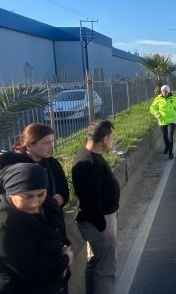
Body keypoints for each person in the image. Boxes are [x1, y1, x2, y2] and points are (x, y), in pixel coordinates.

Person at [0, 163, 72, 294]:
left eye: (40, 194)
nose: (35, 202)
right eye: (27, 196)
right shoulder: (4, 228)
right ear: (11, 193)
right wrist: (65, 260)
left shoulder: (45, 205)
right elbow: (35, 272)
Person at [72, 120, 119, 294]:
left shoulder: (89, 157)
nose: (111, 142)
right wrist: (102, 226)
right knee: (106, 269)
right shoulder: (88, 163)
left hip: (100, 221)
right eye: (111, 138)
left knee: (95, 262)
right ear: (105, 139)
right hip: (99, 223)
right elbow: (90, 199)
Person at [0, 123, 69, 214]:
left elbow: (63, 188)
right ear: (29, 145)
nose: (52, 146)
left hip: (53, 220)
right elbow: (1, 202)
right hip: (24, 223)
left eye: (52, 141)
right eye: (46, 143)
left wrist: (61, 197)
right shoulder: (14, 169)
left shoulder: (52, 163)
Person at [149, 84, 176, 159]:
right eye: (163, 91)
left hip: (172, 120)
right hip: (162, 121)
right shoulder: (157, 100)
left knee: (170, 136)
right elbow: (152, 108)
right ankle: (167, 147)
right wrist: (157, 114)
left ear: (168, 91)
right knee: (165, 136)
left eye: (166, 91)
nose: (164, 92)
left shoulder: (173, 99)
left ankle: (170, 153)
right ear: (161, 92)